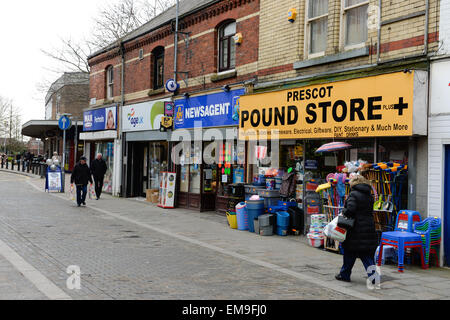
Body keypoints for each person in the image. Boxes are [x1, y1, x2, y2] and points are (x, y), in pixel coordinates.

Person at [335, 175, 379, 283]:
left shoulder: (353, 194)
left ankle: (345, 274)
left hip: (355, 229)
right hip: (368, 227)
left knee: (349, 253)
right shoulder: (369, 195)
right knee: (366, 255)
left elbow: (350, 209)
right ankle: (374, 277)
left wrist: (344, 211)